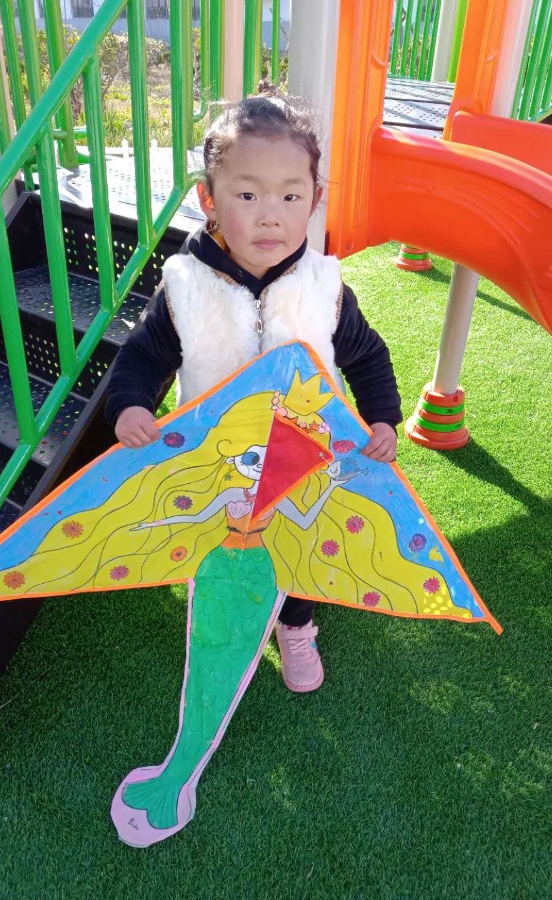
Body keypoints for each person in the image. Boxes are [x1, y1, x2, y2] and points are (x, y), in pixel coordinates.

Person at [105, 92, 403, 694]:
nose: (271, 217)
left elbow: (368, 356)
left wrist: (382, 419)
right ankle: (221, 627)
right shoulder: (185, 286)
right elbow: (142, 355)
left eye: (290, 197)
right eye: (247, 196)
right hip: (217, 461)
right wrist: (131, 403)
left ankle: (295, 626)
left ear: (314, 200)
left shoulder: (324, 289)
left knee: (293, 547)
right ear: (208, 200)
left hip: (303, 456)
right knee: (220, 550)